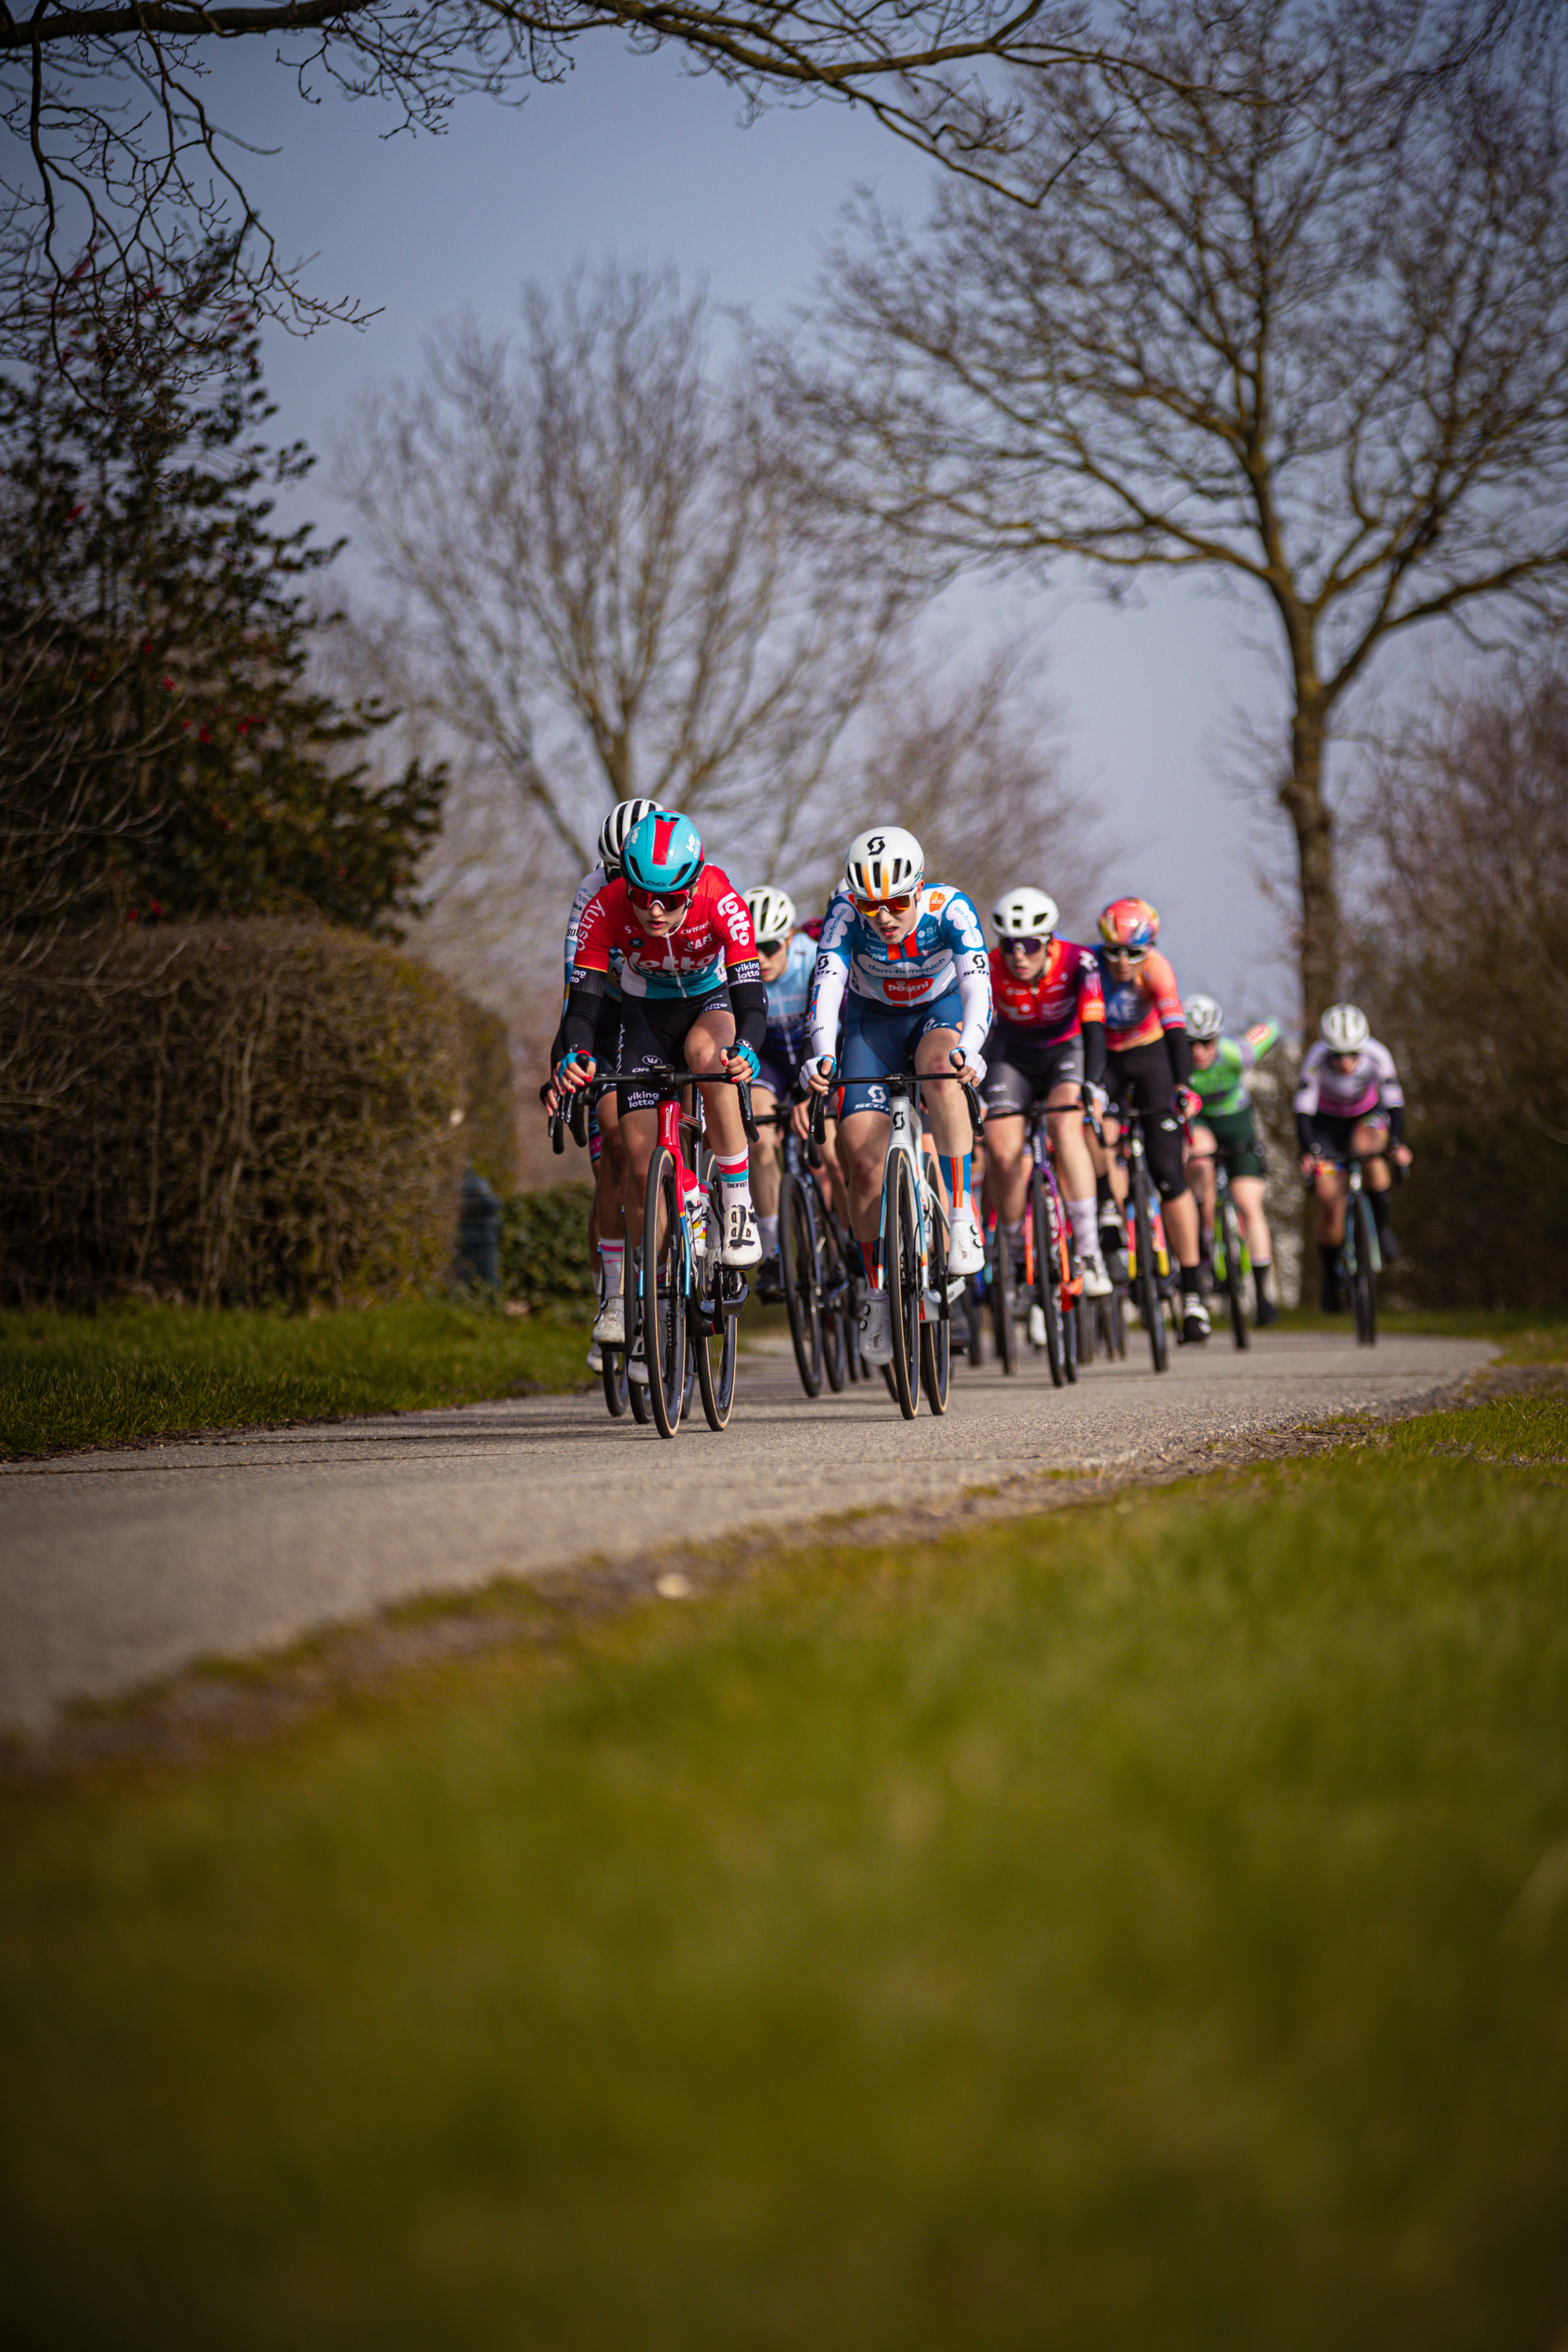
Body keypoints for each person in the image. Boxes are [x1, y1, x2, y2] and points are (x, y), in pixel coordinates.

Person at [554, 811, 766, 1380]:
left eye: (669, 899)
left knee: (710, 1061)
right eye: (643, 894)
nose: (654, 910)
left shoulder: (721, 897)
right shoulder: (604, 906)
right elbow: (584, 1005)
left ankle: (737, 1202)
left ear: (694, 883)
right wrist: (573, 1057)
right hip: (643, 1015)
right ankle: (644, 1309)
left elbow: (750, 995)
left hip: (707, 1003)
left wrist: (746, 1046)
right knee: (641, 1169)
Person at [802, 826, 992, 1367]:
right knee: (861, 1160)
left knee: (942, 1068)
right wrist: (820, 1052)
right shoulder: (843, 914)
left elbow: (978, 985)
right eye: (871, 905)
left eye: (896, 903)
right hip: (872, 1025)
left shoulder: (949, 909)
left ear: (919, 888)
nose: (883, 916)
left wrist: (971, 1050)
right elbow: (828, 987)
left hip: (939, 1014)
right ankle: (878, 1293)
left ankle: (959, 1213)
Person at [550, 797, 662, 1371]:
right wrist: (568, 1055)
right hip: (616, 1009)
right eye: (621, 876)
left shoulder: (689, 877)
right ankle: (614, 1295)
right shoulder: (592, 891)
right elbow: (578, 985)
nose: (635, 893)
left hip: (671, 1005)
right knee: (615, 1147)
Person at [980, 887, 1111, 1298]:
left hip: (1065, 1051)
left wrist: (1093, 1083)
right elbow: (978, 1026)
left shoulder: (1079, 961)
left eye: (1030, 944)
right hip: (1010, 1056)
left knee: (1065, 1124)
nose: (1019, 954)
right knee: (1001, 1150)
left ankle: (1089, 1252)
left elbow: (1094, 1027)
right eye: (1010, 944)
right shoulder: (986, 965)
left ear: (1049, 941)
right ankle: (1017, 1253)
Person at [1091, 895, 1210, 1343]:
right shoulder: (1091, 967)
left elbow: (1177, 1031)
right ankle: (1106, 1203)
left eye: (1134, 953)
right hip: (1105, 1055)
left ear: (1149, 948)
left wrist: (1183, 1085)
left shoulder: (1158, 969)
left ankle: (1195, 1294)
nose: (1123, 962)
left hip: (1149, 1054)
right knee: (1094, 1123)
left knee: (1168, 1175)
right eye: (1114, 951)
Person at [1294, 1003, 1412, 1312]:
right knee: (1329, 1199)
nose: (1345, 1062)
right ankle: (1331, 1277)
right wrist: (1308, 1151)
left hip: (1366, 1118)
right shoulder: (1315, 1059)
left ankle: (1383, 1229)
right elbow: (1303, 1111)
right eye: (1337, 1055)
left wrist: (1397, 1143)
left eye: (1352, 1054)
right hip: (1327, 1125)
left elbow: (1396, 1105)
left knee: (1371, 1152)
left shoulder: (1378, 1055)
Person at [1182, 996, 1280, 1327]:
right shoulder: (1175, 1062)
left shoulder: (1235, 1054)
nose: (1199, 1051)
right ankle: (1206, 1240)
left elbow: (1272, 1027)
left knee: (1248, 1203)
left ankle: (1263, 1293)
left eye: (1207, 1042)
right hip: (1201, 1123)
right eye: (1191, 1043)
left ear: (1218, 1038)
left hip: (1235, 1120)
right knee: (1199, 1158)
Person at [742, 885, 817, 1299]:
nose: (762, 958)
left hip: (812, 1053)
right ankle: (772, 1253)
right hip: (768, 1060)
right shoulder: (739, 964)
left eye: (770, 947)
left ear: (789, 938)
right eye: (753, 947)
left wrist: (811, 1088)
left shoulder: (813, 957)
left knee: (837, 1153)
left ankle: (852, 1243)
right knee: (760, 1137)